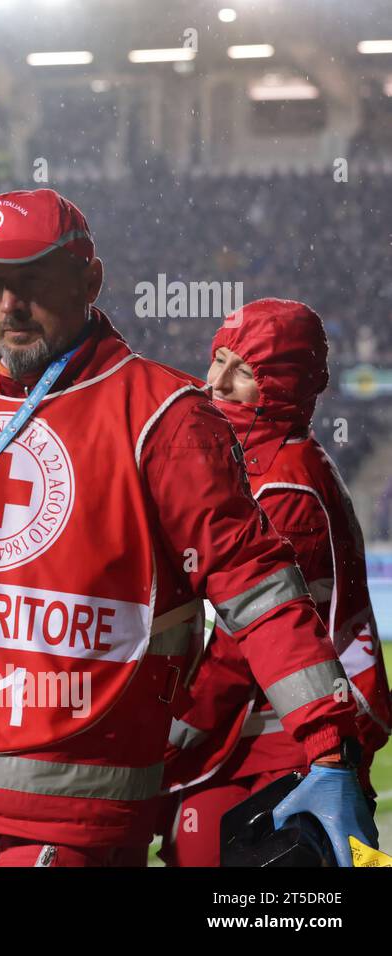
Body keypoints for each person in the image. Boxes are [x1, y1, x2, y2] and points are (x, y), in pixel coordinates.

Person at [0, 188, 377, 867]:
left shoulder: (164, 418)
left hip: (73, 812)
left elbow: (255, 589)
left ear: (90, 280)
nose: (9, 305)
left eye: (32, 281)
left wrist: (329, 742)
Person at [161, 298, 390, 866]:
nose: (215, 381)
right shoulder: (269, 461)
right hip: (275, 736)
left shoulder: (283, 486)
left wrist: (163, 741)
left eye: (242, 371)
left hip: (280, 740)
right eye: (216, 359)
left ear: (282, 387)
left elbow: (243, 649)